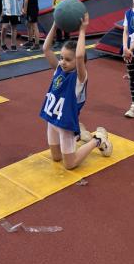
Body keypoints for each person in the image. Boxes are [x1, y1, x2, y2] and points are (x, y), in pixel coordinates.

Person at [40, 13, 112, 170]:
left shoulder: (80, 78)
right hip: (52, 121)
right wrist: (55, 24)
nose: (62, 62)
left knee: (70, 164)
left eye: (67, 59)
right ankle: (79, 132)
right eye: (61, 58)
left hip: (65, 125)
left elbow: (79, 56)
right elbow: (46, 48)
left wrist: (82, 30)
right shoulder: (59, 69)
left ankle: (98, 139)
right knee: (56, 158)